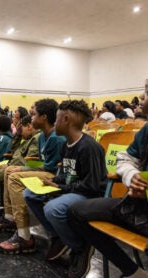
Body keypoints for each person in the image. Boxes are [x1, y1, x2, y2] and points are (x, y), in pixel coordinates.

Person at [67, 65, 148, 278]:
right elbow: (125, 158)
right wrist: (132, 176)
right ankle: (133, 272)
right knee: (76, 212)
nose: (141, 96)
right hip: (143, 205)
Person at [24, 100, 107, 261]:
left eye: (56, 119)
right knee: (30, 194)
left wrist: (60, 187)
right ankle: (59, 236)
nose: (54, 124)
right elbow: (69, 174)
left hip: (90, 195)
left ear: (66, 119)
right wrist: (55, 180)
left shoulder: (89, 147)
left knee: (52, 209)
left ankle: (79, 247)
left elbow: (91, 185)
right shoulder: (66, 145)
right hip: (73, 188)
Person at [0, 99, 66, 255]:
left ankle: (24, 236)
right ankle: (10, 218)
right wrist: (21, 167)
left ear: (44, 117)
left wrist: (23, 168)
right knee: (9, 170)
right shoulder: (43, 137)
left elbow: (51, 167)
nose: (31, 119)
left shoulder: (56, 138)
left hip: (56, 175)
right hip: (46, 169)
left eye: (34, 115)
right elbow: (42, 162)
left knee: (14, 177)